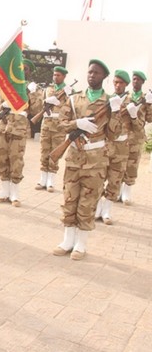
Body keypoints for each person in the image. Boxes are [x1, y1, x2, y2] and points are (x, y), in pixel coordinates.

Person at [52, 59, 123, 260]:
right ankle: (67, 240)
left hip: (96, 160)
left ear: (104, 77)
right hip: (74, 157)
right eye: (90, 72)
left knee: (88, 201)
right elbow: (61, 123)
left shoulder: (109, 102)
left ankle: (80, 244)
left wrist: (116, 113)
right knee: (69, 198)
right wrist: (78, 122)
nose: (92, 75)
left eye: (97, 73)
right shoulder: (74, 100)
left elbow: (113, 134)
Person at [0, 58, 43, 207]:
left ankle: (14, 192)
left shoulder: (34, 88)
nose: (22, 71)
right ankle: (4, 190)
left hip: (19, 128)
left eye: (25, 69)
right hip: (4, 126)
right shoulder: (8, 86)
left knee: (16, 159)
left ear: (29, 72)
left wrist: (33, 93)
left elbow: (36, 109)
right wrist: (3, 105)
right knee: (2, 159)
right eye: (20, 68)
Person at [95, 70, 133, 224]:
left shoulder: (131, 102)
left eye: (121, 83)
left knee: (115, 178)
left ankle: (107, 211)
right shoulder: (107, 99)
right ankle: (97, 208)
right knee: (99, 177)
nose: (117, 85)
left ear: (126, 85)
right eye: (115, 82)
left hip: (122, 147)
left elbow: (138, 128)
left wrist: (135, 115)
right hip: (107, 144)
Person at [35, 66, 72, 192]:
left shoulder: (68, 91)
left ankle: (51, 180)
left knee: (55, 152)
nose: (56, 77)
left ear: (64, 77)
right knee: (44, 150)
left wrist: (66, 97)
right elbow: (39, 105)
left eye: (59, 75)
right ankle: (42, 179)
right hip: (46, 123)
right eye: (54, 75)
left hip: (59, 125)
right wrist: (46, 102)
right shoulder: (48, 89)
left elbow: (71, 109)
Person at [119, 71, 150, 205]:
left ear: (143, 82)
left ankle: (127, 192)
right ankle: (118, 190)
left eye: (138, 80)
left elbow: (149, 118)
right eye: (134, 79)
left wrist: (150, 105)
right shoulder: (126, 96)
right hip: (124, 134)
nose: (135, 82)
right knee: (120, 163)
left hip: (136, 136)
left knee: (132, 164)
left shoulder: (146, 98)